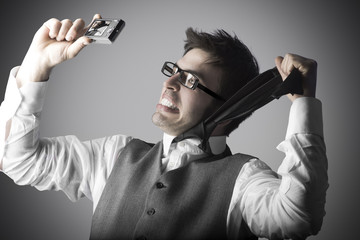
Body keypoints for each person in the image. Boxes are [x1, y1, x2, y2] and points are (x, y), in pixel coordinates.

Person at [0, 14, 328, 240]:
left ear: (229, 109)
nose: (169, 83)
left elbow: (298, 216)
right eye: (174, 70)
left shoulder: (245, 179)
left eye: (190, 80)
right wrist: (36, 65)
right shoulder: (113, 155)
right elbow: (18, 160)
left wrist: (303, 104)